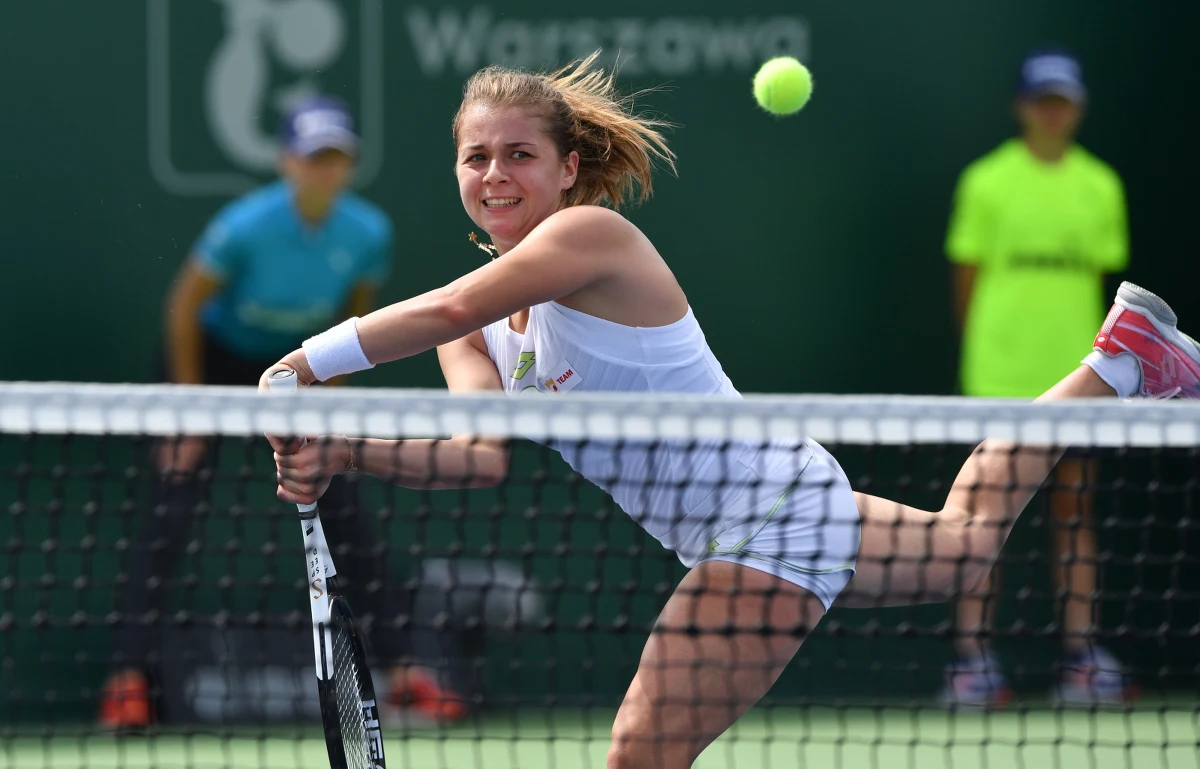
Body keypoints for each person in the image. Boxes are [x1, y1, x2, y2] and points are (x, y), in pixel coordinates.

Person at [260, 53, 1200, 768]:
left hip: (763, 521)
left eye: (520, 154)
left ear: (566, 167)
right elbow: (481, 454)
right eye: (477, 157)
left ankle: (1118, 363)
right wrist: (347, 446)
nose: (496, 173)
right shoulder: (481, 336)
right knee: (964, 546)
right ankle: (1120, 362)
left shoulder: (590, 236)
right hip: (775, 497)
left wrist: (305, 363)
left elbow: (447, 307)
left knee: (637, 752)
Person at [101, 95, 464, 729]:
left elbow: (352, 320)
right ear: (287, 162)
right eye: (313, 156)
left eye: (336, 158)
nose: (325, 169)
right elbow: (184, 307)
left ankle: (407, 672)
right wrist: (186, 409)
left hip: (292, 364)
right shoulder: (246, 225)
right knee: (170, 511)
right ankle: (127, 680)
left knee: (344, 505)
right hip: (211, 363)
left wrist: (326, 396)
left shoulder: (367, 232)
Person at [943, 48, 1134, 706]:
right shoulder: (986, 182)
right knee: (981, 517)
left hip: (1079, 376)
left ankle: (1081, 658)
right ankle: (972, 663)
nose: (1054, 113)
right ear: (1022, 107)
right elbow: (966, 282)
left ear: (1077, 108)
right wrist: (989, 355)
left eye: (1064, 102)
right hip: (1000, 375)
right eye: (1043, 101)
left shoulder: (1102, 185)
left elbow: (1103, 284)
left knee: (1073, 509)